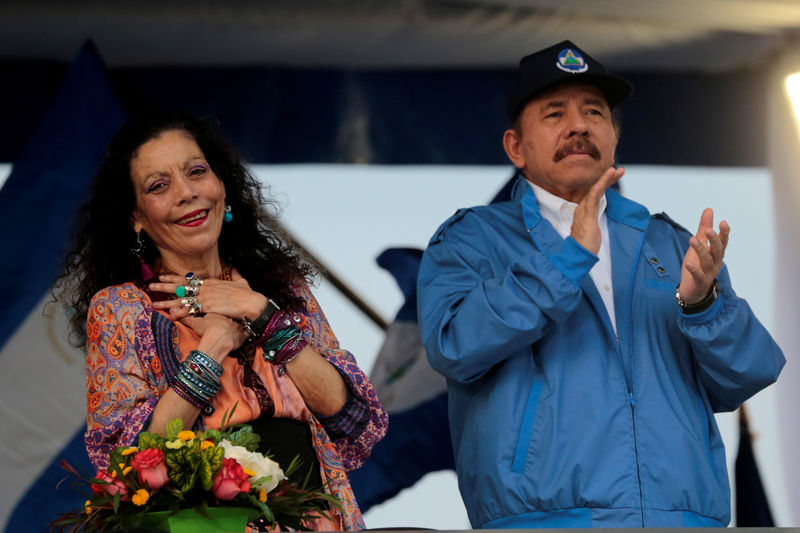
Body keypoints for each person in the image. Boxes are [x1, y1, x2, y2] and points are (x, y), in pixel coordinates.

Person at [417, 40, 785, 528]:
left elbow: (747, 375)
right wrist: (567, 261)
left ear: (613, 137)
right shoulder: (471, 240)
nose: (578, 126)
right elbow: (453, 346)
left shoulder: (670, 243)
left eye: (595, 112)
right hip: (545, 521)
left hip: (684, 521)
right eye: (554, 114)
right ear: (515, 147)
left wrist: (704, 307)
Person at [57, 111, 388, 531]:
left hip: (318, 519)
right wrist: (213, 345)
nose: (186, 193)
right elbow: (130, 460)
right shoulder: (121, 308)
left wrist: (259, 313)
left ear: (222, 186)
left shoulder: (280, 288)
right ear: (136, 218)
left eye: (197, 172)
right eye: (159, 186)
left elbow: (351, 417)